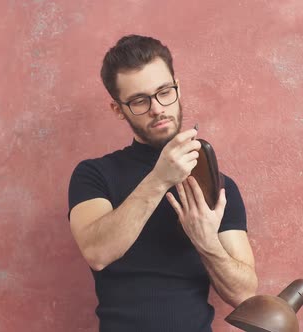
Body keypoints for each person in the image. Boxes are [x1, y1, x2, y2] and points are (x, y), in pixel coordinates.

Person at [67, 34, 258, 332]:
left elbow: (245, 295)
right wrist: (159, 179)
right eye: (140, 101)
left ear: (177, 89)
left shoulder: (218, 184)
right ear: (119, 110)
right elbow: (97, 253)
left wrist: (205, 241)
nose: (157, 108)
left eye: (164, 92)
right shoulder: (94, 174)